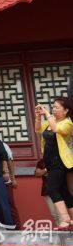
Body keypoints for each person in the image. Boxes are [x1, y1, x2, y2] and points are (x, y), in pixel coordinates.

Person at [35, 97, 73, 230]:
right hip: (49, 162)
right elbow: (38, 130)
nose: (53, 109)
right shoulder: (51, 121)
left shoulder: (68, 123)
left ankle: (65, 219)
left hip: (60, 161)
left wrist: (47, 114)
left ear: (66, 110)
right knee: (63, 191)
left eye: (57, 107)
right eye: (53, 107)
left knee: (51, 189)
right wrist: (38, 117)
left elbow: (56, 129)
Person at [34, 158, 60, 226]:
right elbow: (37, 173)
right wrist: (46, 169)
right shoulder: (42, 161)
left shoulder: (61, 158)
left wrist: (45, 172)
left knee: (60, 214)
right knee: (54, 214)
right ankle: (61, 231)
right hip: (47, 190)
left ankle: (65, 230)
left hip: (60, 189)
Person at [1, 140, 21, 228]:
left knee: (10, 204)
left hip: (5, 179)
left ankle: (17, 228)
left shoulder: (3, 145)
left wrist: (13, 179)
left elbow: (10, 161)